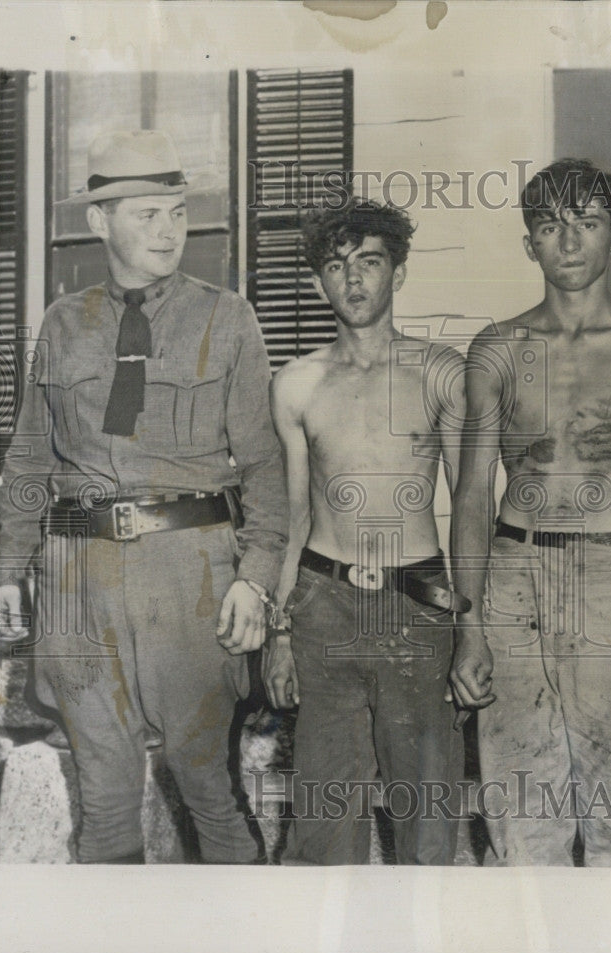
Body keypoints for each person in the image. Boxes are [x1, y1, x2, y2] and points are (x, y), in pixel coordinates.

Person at [0, 129, 288, 864]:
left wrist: (255, 578)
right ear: (99, 222)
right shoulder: (63, 324)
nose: (168, 230)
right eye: (146, 213)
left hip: (187, 573)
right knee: (103, 795)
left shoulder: (227, 318)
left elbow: (264, 465)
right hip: (74, 577)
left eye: (177, 213)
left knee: (206, 784)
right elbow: (32, 449)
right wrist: (7, 561)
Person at [448, 158, 611, 866]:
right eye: (549, 226)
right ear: (529, 241)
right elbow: (470, 493)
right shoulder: (498, 348)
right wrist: (469, 625)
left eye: (587, 223)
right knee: (523, 819)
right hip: (513, 575)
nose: (568, 242)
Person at [263, 197, 466, 865]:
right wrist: (281, 633)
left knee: (427, 825)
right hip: (326, 604)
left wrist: (474, 628)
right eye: (335, 265)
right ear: (319, 281)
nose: (353, 280)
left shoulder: (441, 372)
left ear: (398, 274)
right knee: (322, 829)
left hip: (419, 603)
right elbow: (295, 518)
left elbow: (471, 507)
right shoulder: (297, 383)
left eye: (370, 262)